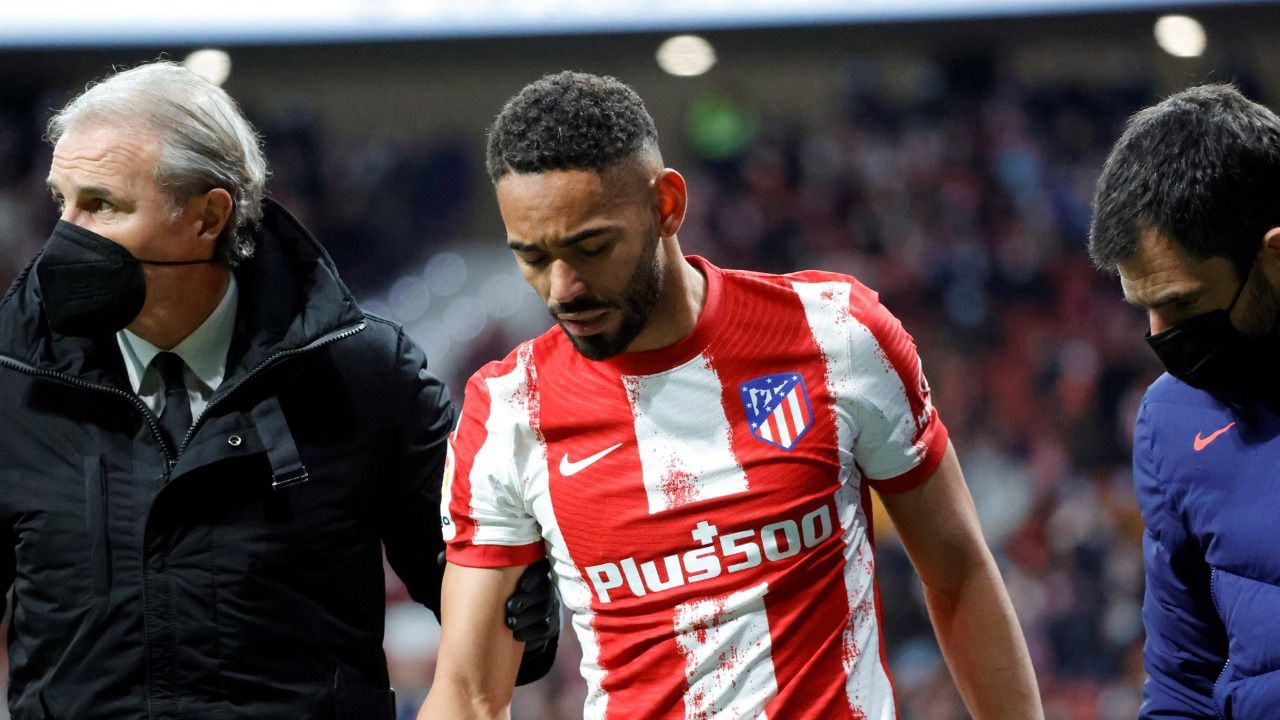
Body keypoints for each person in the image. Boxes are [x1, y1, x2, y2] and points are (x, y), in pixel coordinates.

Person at [420, 70, 1042, 720]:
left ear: (667, 205)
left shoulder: (835, 334)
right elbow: (467, 692)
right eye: (532, 257)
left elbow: (959, 572)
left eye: (591, 247)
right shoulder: (507, 410)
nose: (562, 288)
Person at [0, 60, 558, 719]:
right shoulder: (14, 382)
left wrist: (522, 602)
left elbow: (492, 616)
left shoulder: (362, 375)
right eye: (61, 202)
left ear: (208, 217)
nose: (64, 237)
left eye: (101, 205)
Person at [1089, 83, 1280, 718]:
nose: (1161, 337)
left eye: (1183, 303)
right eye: (1144, 308)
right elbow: (1181, 683)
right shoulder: (1171, 421)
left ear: (1273, 256)